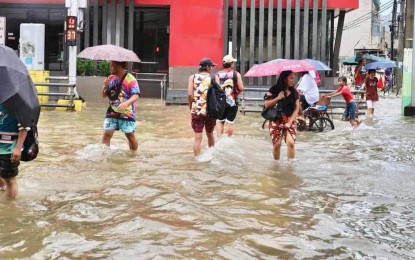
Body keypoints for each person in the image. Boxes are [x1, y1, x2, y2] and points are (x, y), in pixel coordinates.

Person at [100, 61, 140, 150]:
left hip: (126, 113)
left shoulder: (131, 79)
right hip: (112, 112)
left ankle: (133, 155)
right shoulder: (111, 78)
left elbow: (136, 95)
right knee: (106, 136)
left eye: (112, 65)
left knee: (130, 136)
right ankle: (104, 157)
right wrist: (105, 86)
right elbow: (103, 95)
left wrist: (126, 103)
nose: (110, 67)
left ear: (118, 66)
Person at [264, 70, 300, 160]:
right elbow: (266, 104)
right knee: (277, 144)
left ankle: (290, 167)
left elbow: (296, 108)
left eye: (293, 78)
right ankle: (276, 165)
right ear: (284, 79)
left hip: (289, 120)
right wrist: (277, 98)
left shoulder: (295, 92)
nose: (293, 80)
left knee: (291, 143)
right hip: (276, 119)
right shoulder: (274, 89)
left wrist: (290, 122)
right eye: (291, 78)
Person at [188, 58, 217, 157]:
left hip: (196, 110)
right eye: (212, 66)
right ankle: (211, 156)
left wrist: (191, 107)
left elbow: (190, 95)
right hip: (210, 111)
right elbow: (218, 95)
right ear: (208, 67)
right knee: (210, 134)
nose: (212, 69)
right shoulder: (214, 78)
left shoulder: (192, 77)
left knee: (197, 138)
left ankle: (197, 159)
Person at [0, 104, 28, 199]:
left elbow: (24, 129)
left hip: (9, 148)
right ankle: (4, 188)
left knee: (10, 180)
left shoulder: (17, 105)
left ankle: (9, 207)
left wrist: (18, 149)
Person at [215, 55, 244, 137]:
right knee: (230, 122)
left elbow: (217, 89)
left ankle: (219, 140)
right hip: (232, 101)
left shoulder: (218, 74)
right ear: (231, 64)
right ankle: (227, 140)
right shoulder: (236, 74)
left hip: (221, 102)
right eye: (233, 63)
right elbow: (241, 88)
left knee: (220, 121)